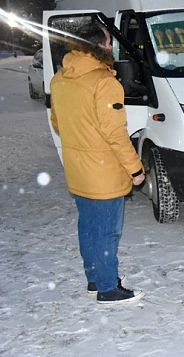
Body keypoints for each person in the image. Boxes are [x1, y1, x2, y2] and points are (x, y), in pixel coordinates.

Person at [50, 23, 146, 304]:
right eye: (107, 42)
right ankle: (108, 289)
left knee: (89, 226)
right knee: (106, 231)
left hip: (77, 168)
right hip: (102, 171)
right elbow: (115, 133)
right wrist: (135, 169)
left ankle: (95, 278)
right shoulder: (104, 82)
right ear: (97, 47)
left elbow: (58, 121)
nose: (111, 46)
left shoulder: (60, 78)